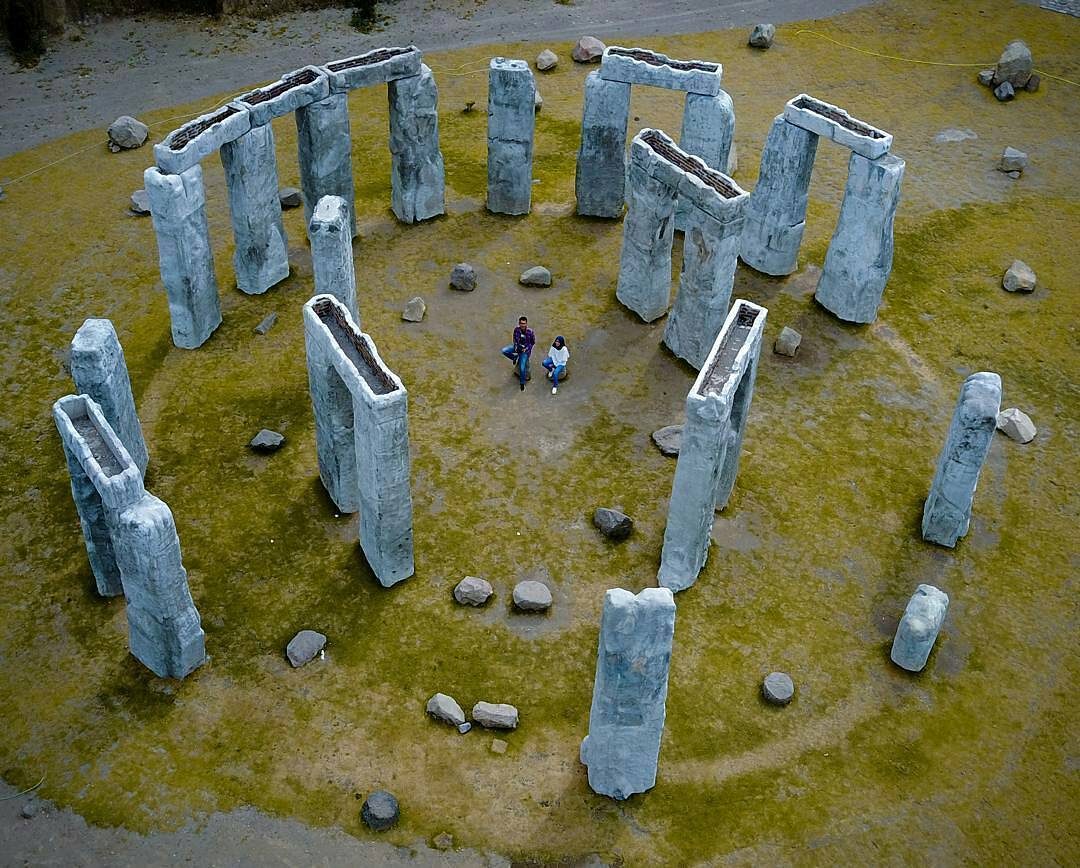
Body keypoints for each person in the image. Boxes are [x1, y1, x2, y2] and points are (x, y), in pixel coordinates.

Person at [501, 315, 535, 390]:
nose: (522, 325)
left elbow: (532, 343)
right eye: (521, 323)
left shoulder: (530, 332)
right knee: (504, 351)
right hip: (517, 347)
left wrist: (526, 349)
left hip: (525, 351)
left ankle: (522, 383)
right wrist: (516, 345)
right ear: (519, 324)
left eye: (524, 323)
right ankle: (514, 357)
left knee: (522, 368)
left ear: (526, 324)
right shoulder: (516, 330)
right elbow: (514, 338)